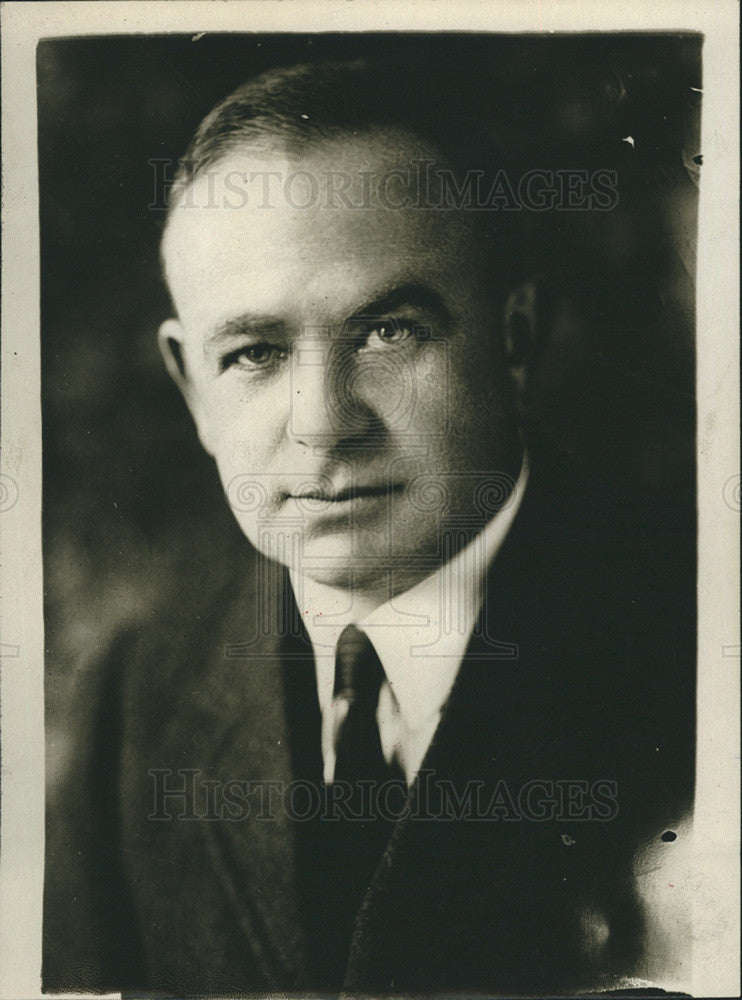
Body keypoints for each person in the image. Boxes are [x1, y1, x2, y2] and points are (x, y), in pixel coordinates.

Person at [43, 60, 695, 996]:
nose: (322, 424)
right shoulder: (135, 703)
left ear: (515, 338)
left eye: (389, 331)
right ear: (192, 387)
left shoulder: (698, 654)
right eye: (255, 353)